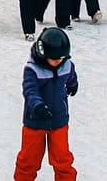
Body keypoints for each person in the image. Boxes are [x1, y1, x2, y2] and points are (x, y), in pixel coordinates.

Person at [14, 25, 79, 181]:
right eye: (54, 59)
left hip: (59, 120)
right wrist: (37, 106)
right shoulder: (33, 69)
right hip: (35, 121)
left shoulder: (66, 64)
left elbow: (70, 76)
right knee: (28, 160)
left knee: (63, 159)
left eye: (61, 59)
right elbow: (30, 90)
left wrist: (73, 84)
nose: (58, 62)